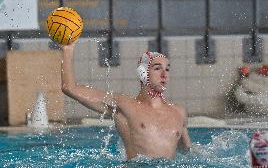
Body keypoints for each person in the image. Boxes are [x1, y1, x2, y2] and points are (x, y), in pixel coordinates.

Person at [61, 42, 192, 160]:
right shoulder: (124, 106)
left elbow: (187, 152)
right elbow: (70, 88)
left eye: (167, 69)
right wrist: (68, 49)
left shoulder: (179, 113)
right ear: (143, 73)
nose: (164, 74)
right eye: (157, 68)